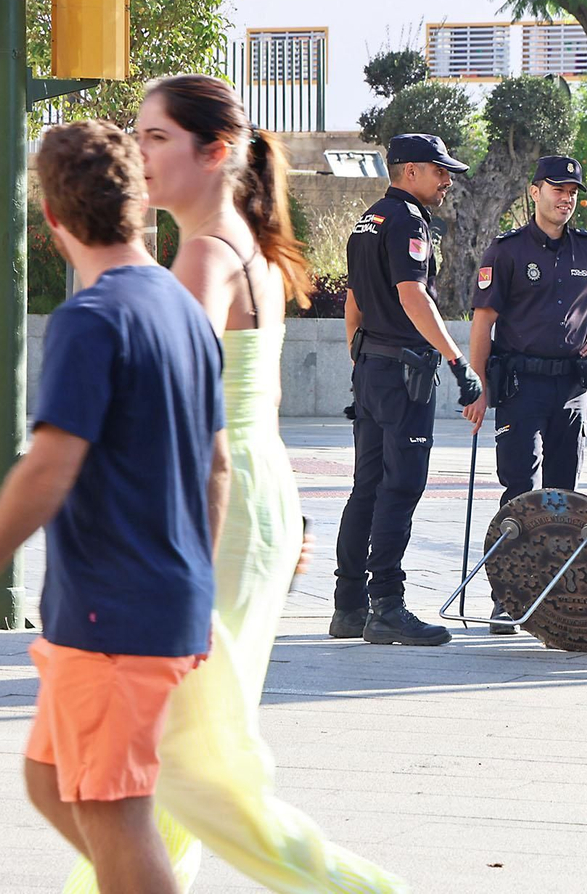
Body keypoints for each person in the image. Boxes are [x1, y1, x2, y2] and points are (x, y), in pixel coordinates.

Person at [57, 75, 409, 893]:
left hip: (214, 506)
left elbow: (162, 397)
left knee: (190, 765)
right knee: (178, 753)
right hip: (251, 492)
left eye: (155, 137)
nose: (138, 153)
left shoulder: (207, 254)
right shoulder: (240, 243)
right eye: (137, 134)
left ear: (214, 151)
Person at [0, 120, 226, 894]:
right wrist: (194, 581)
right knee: (50, 777)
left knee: (114, 811)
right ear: (140, 201)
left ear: (51, 216)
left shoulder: (91, 318)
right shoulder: (182, 308)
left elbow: (49, 465)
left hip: (112, 614)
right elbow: (218, 465)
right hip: (147, 604)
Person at [463, 155, 587, 632]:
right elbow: (483, 321)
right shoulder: (507, 251)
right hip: (521, 386)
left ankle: (555, 592)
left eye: (573, 192)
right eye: (558, 189)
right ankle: (508, 594)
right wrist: (477, 387)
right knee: (519, 489)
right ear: (535, 191)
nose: (566, 199)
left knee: (565, 496)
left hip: (572, 387)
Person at [332, 133, 483, 645]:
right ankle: (387, 607)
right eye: (440, 171)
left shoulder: (368, 220)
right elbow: (413, 294)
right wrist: (457, 360)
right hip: (403, 374)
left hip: (373, 367)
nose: (447, 182)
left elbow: (353, 302)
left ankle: (349, 606)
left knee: (366, 486)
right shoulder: (408, 222)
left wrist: (360, 357)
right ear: (411, 171)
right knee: (400, 486)